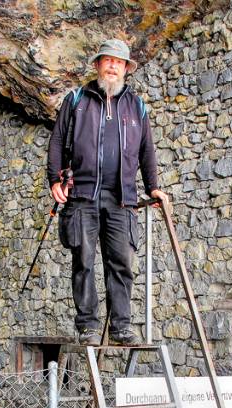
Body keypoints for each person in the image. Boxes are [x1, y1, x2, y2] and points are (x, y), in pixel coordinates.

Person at [47, 39, 169, 346]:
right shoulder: (77, 100)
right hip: (82, 196)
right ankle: (87, 325)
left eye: (119, 62)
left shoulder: (136, 106)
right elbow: (58, 142)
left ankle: (121, 326)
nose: (112, 66)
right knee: (84, 261)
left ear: (127, 69)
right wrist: (55, 181)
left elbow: (146, 150)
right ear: (97, 65)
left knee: (121, 263)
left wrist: (153, 186)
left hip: (122, 198)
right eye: (107, 60)